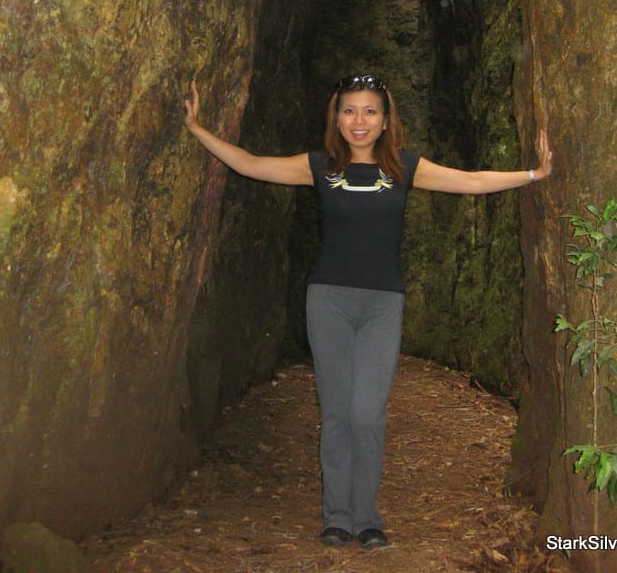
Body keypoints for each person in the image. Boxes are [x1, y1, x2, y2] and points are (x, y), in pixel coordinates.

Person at [184, 74, 552, 550]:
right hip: (328, 301)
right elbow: (252, 165)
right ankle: (337, 515)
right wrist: (198, 130)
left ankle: (367, 515)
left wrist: (533, 175)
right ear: (336, 119)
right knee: (337, 413)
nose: (359, 120)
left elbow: (472, 181)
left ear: (384, 122)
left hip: (383, 303)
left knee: (367, 412)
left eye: (370, 111)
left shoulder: (404, 167)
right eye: (349, 110)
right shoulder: (319, 166)